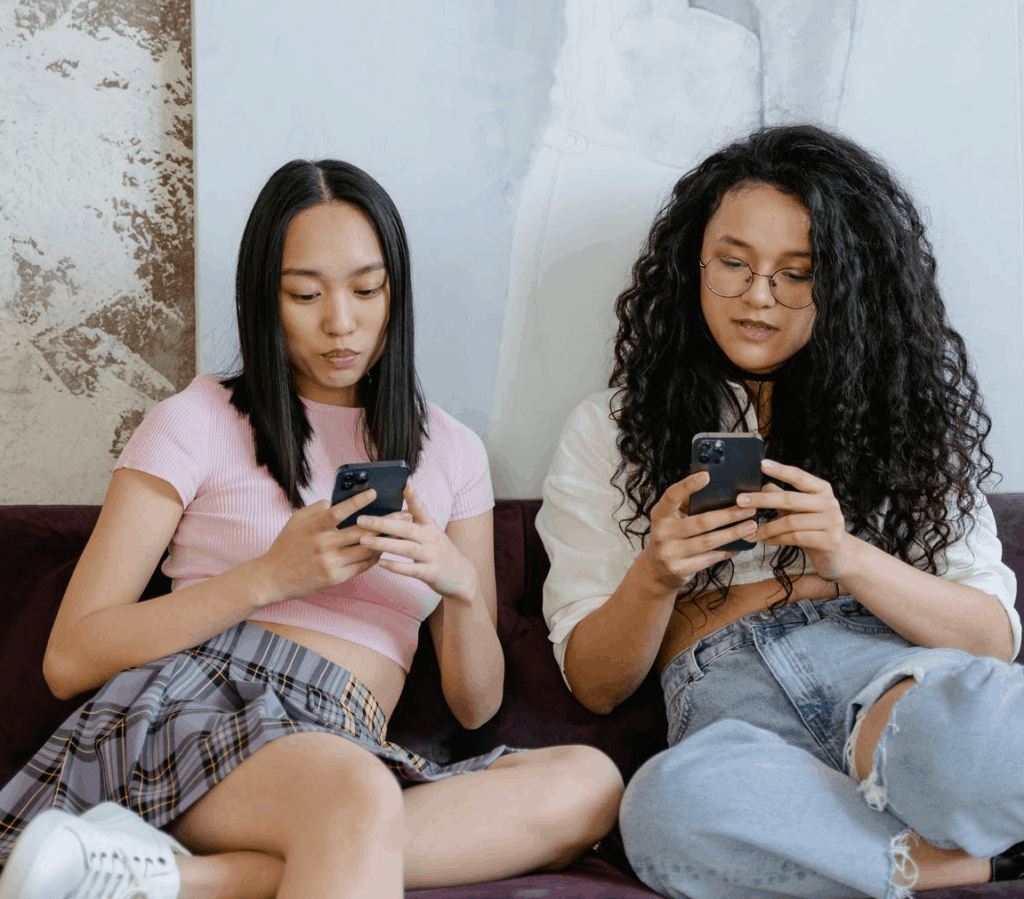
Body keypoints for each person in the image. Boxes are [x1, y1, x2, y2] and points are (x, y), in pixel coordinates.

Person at [0, 159, 623, 899]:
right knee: (358, 797)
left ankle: (166, 878)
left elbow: (476, 706)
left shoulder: (452, 452)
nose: (341, 322)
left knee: (589, 781)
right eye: (305, 294)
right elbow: (70, 656)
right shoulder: (195, 420)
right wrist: (270, 576)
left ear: (396, 292)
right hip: (205, 706)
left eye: (367, 289)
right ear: (266, 298)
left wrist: (457, 590)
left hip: (346, 738)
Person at [536, 123, 1024, 898]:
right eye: (733, 264)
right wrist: (657, 576)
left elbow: (992, 639)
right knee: (664, 812)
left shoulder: (905, 420)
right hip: (732, 717)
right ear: (692, 264)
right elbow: (596, 684)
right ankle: (966, 862)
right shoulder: (607, 429)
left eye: (797, 274)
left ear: (848, 285)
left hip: (891, 676)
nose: (758, 297)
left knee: (992, 736)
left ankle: (874, 841)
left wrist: (849, 558)